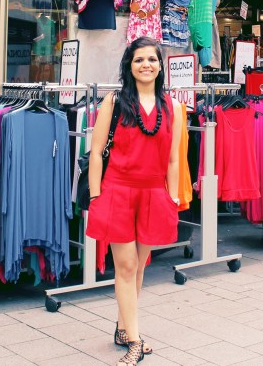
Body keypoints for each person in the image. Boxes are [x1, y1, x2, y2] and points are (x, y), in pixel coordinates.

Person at [86, 37, 182, 365]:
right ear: (129, 65)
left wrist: (172, 196)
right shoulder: (114, 102)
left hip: (153, 193)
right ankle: (135, 342)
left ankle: (123, 328)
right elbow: (96, 152)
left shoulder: (173, 107)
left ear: (160, 66)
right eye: (139, 59)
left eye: (152, 59)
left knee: (139, 267)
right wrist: (96, 195)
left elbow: (173, 159)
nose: (146, 65)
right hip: (118, 191)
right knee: (126, 266)